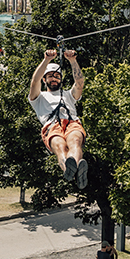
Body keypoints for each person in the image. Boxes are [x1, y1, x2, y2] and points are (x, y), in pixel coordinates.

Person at [28, 49, 88, 189]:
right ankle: (69, 170)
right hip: (52, 126)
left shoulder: (68, 95)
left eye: (57, 76)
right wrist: (46, 60)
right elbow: (34, 80)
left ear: (61, 79)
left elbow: (79, 82)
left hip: (71, 122)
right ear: (45, 79)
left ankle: (78, 168)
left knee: (75, 141)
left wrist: (73, 61)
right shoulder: (38, 97)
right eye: (50, 76)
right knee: (60, 146)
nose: (54, 78)